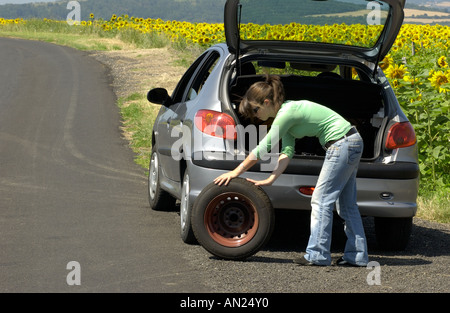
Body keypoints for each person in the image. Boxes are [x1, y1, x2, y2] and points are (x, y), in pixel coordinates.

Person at [214, 75, 369, 267]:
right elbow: (287, 151)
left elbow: (264, 146)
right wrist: (271, 178)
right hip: (350, 142)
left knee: (321, 200)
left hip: (342, 144)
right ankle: (357, 256)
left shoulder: (287, 112)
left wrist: (235, 172)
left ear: (267, 102)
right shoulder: (285, 118)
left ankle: (318, 255)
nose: (256, 115)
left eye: (256, 109)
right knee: (346, 205)